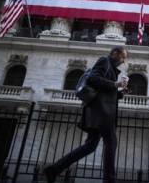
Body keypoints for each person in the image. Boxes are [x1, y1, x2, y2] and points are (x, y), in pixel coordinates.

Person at [44, 46, 128, 183]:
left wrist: (120, 93)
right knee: (111, 143)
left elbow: (104, 91)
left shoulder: (110, 67)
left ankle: (54, 169)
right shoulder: (104, 61)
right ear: (114, 53)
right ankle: (110, 180)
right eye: (122, 57)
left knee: (90, 146)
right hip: (102, 113)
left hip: (101, 112)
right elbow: (93, 79)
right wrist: (115, 84)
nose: (123, 61)